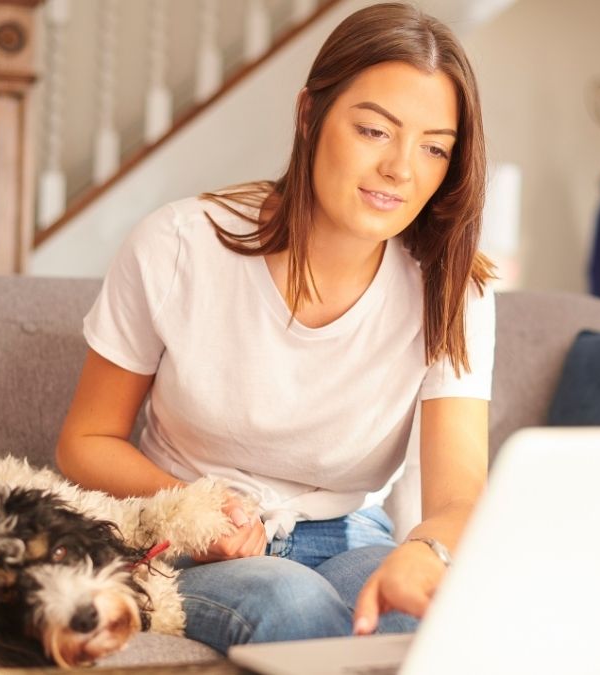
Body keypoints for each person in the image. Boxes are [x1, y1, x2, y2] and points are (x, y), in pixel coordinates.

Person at [56, 2, 496, 653]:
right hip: (189, 537)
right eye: (375, 131)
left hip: (347, 532)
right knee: (295, 610)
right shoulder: (180, 245)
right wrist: (197, 509)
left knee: (409, 622)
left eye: (434, 147)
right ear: (309, 115)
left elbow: (461, 494)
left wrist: (427, 549)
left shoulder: (449, 287)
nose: (401, 169)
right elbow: (85, 440)